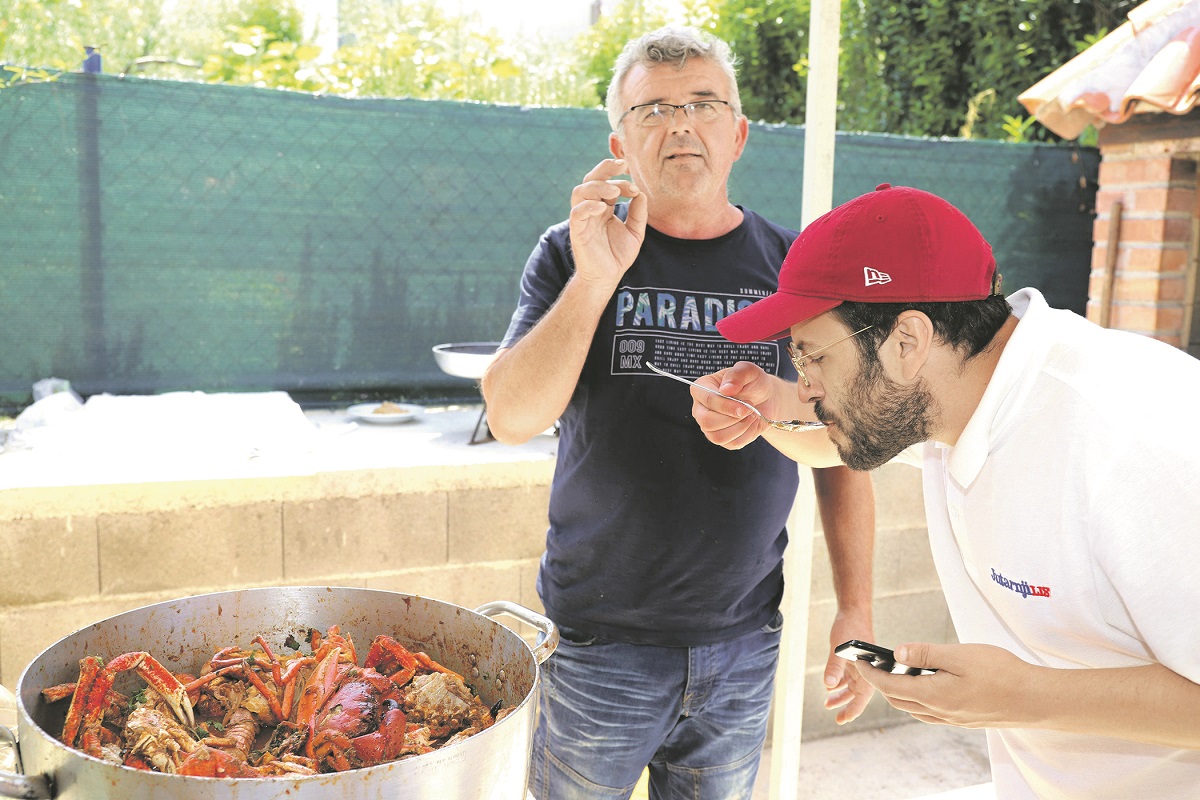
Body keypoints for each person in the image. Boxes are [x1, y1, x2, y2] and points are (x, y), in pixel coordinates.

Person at [690, 182, 1200, 798]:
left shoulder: (1136, 440)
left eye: (812, 357)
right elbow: (836, 439)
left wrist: (1025, 696)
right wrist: (768, 403)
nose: (806, 385)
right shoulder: (958, 385)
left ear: (907, 342)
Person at [480, 25, 878, 800]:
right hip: (598, 646)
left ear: (738, 134)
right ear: (619, 143)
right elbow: (511, 417)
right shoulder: (571, 251)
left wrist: (856, 609)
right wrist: (596, 279)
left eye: (703, 104)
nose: (681, 125)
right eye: (654, 110)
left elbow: (846, 445)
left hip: (743, 642)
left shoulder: (798, 267)